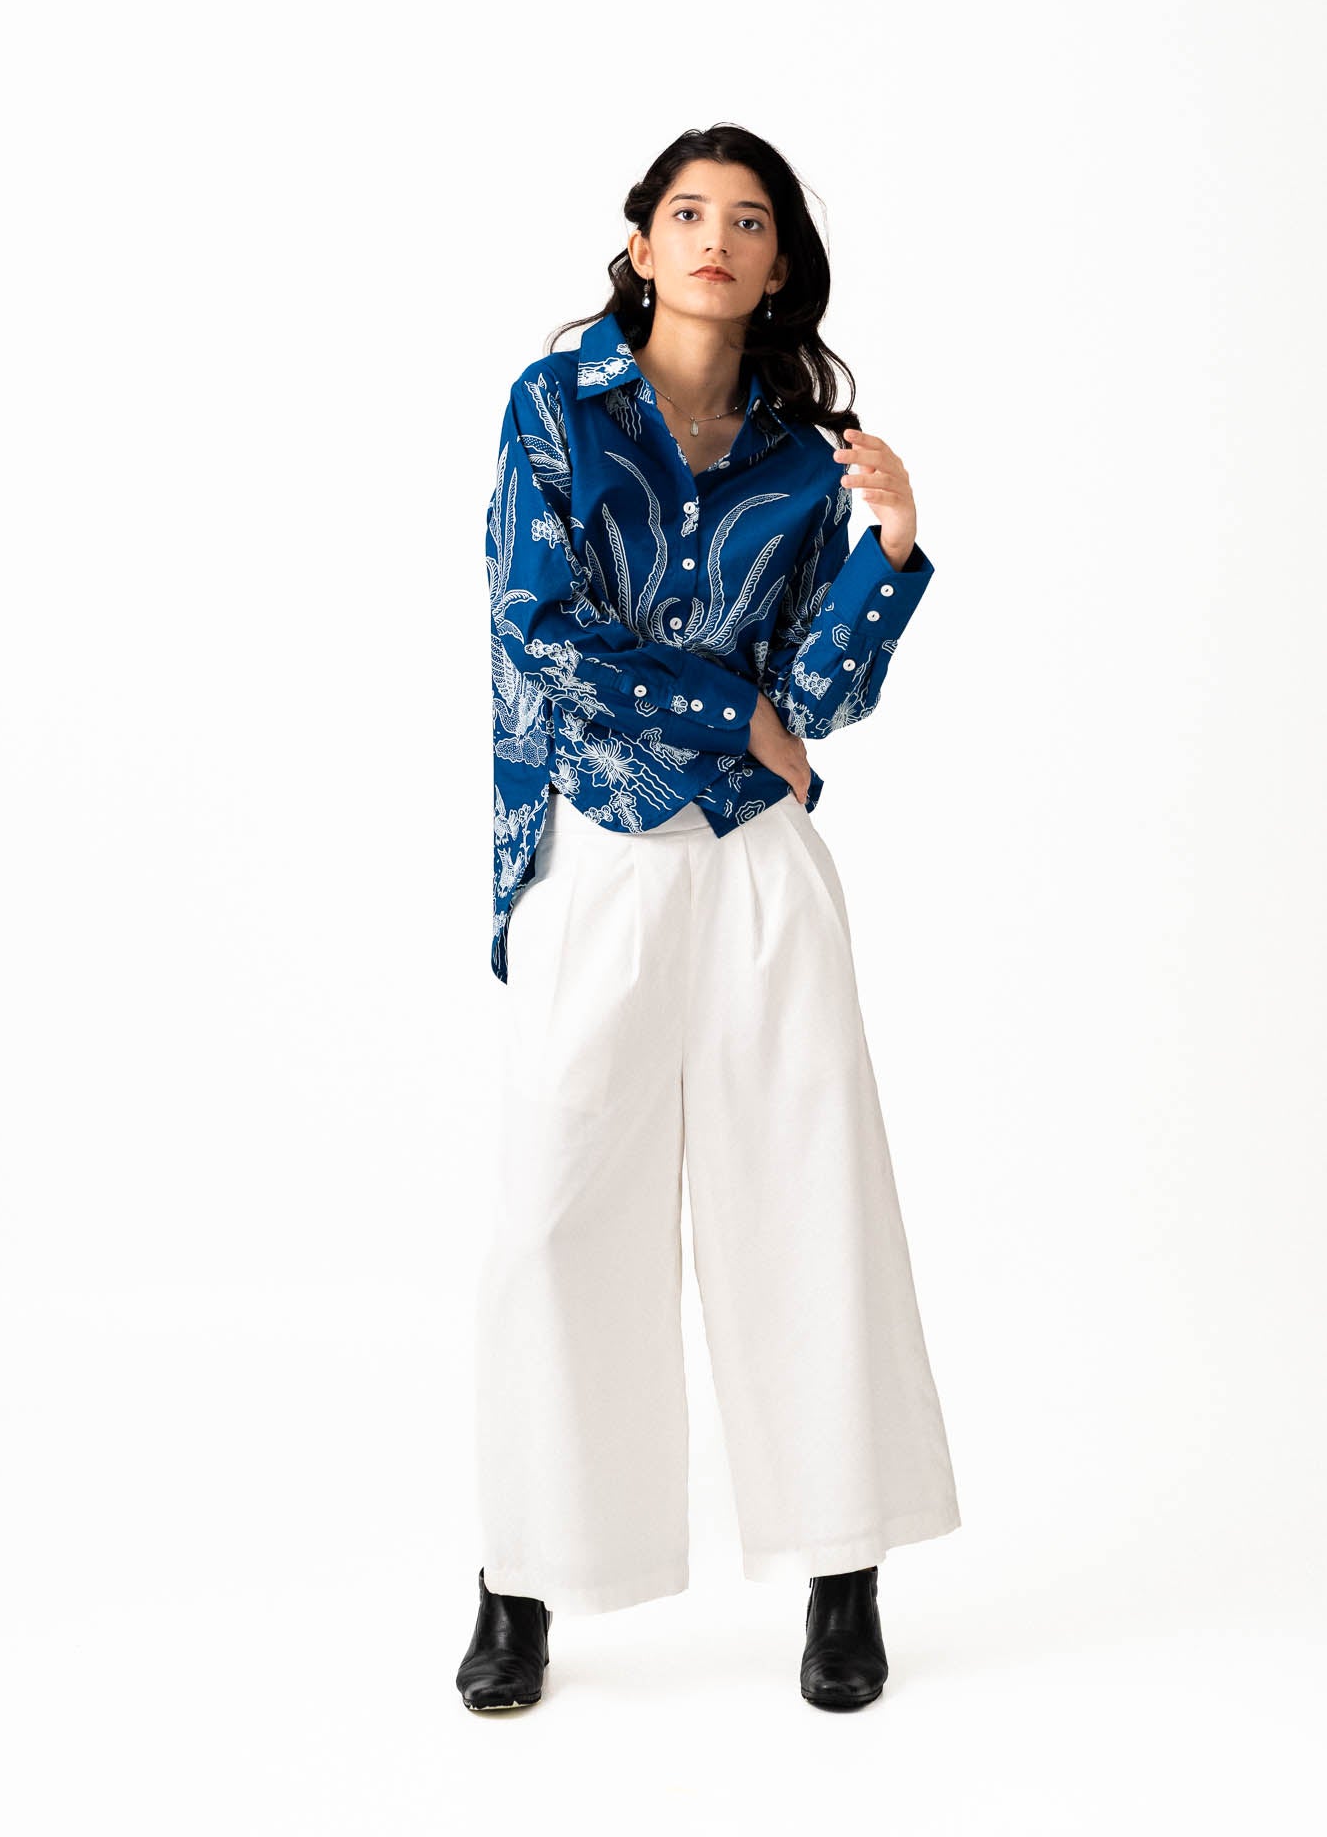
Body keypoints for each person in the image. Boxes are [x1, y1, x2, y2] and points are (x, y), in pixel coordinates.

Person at [458, 123, 960, 1713]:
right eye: (687, 212)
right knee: (554, 1214)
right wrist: (732, 715)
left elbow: (820, 699)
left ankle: (840, 1572)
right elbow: (541, 630)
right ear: (640, 243)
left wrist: (888, 553)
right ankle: (521, 1577)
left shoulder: (809, 462)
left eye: (747, 221)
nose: (714, 240)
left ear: (778, 263)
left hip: (755, 866)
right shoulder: (555, 408)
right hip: (594, 851)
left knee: (808, 1200)